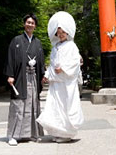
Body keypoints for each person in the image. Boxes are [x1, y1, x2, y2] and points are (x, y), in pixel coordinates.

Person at [36, 11, 84, 142]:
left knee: (66, 106)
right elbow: (52, 63)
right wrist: (47, 75)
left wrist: (63, 68)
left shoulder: (72, 46)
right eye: (59, 32)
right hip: (56, 82)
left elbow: (75, 62)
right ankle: (58, 132)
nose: (61, 35)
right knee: (56, 107)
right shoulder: (55, 47)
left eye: (63, 32)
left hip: (66, 82)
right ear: (56, 34)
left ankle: (66, 134)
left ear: (67, 32)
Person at [4, 13, 45, 146]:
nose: (30, 25)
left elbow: (42, 61)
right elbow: (10, 58)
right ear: (24, 24)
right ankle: (13, 135)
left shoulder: (37, 42)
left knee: (32, 104)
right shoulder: (16, 41)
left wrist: (43, 74)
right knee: (18, 105)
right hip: (20, 77)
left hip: (33, 77)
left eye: (32, 23)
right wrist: (10, 75)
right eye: (28, 22)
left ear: (35, 26)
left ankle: (32, 134)